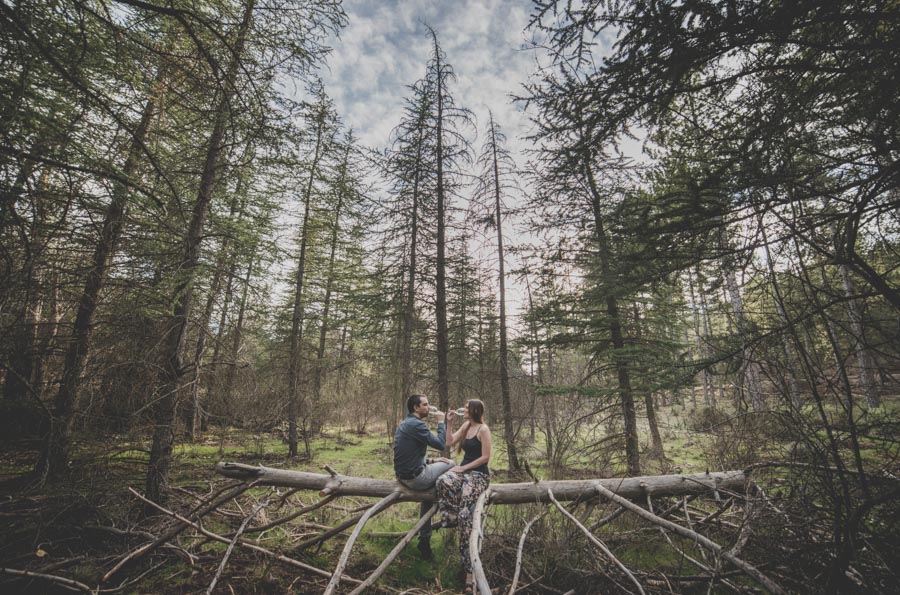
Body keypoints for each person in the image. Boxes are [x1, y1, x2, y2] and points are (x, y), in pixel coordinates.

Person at [435, 399, 491, 592]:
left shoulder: (483, 429)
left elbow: (485, 457)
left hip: (478, 475)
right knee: (443, 480)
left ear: (475, 410)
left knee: (465, 515)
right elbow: (449, 442)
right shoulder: (467, 425)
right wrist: (449, 423)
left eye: (466, 408)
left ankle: (469, 571)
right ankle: (449, 517)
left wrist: (464, 468)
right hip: (464, 473)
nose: (463, 410)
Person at [393, 393, 454, 560]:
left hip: (404, 475)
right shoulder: (418, 425)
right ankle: (449, 509)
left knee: (428, 497)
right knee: (452, 464)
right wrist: (442, 421)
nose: (429, 407)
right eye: (425, 404)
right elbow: (441, 444)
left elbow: (409, 455)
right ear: (416, 407)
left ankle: (424, 543)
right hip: (415, 479)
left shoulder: (406, 423)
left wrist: (433, 460)